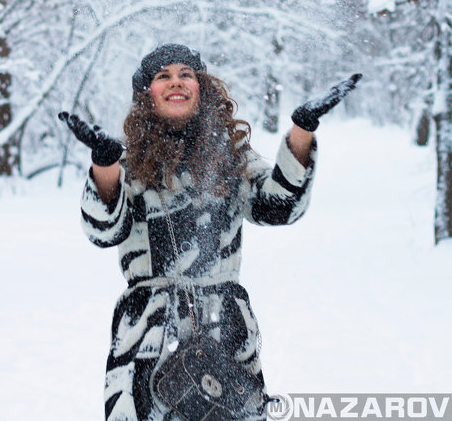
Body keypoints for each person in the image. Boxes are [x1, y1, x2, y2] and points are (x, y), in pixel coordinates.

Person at [59, 44, 361, 421]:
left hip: (224, 328)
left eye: (186, 74)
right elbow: (103, 230)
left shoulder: (231, 156)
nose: (176, 83)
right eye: (162, 76)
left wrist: (302, 130)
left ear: (201, 86)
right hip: (149, 335)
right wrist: (105, 167)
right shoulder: (129, 162)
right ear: (146, 94)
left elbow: (279, 207)